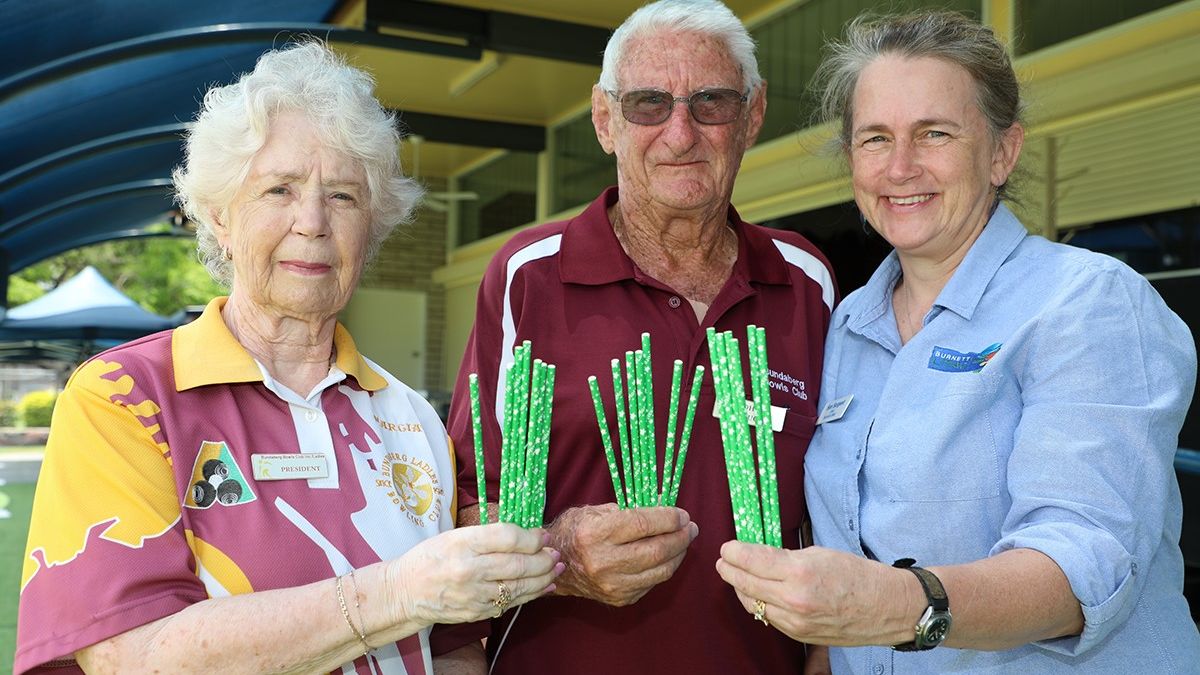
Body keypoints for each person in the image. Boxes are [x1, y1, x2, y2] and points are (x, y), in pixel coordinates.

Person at [14, 41, 561, 675]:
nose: (312, 222)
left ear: (373, 227)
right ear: (219, 215)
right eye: (279, 189)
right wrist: (395, 593)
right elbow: (128, 653)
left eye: (344, 197)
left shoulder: (410, 417)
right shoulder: (124, 397)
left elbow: (454, 646)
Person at [716, 10, 1200, 673]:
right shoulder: (848, 326)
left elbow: (1085, 558)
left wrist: (901, 603)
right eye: (875, 138)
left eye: (935, 133)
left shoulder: (1087, 303)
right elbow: (844, 558)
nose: (901, 166)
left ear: (1004, 151)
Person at [442, 1, 836, 673]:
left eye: (711, 102)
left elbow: (838, 516)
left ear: (754, 114)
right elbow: (457, 504)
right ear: (604, 119)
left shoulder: (807, 284)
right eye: (649, 104)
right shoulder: (528, 276)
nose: (680, 134)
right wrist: (557, 554)